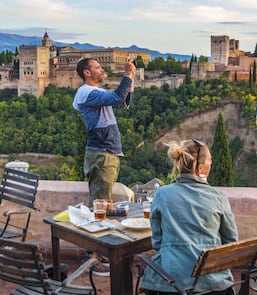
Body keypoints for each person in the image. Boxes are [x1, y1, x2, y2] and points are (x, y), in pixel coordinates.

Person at [140, 139, 238, 295]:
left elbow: (157, 242)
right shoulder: (219, 197)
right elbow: (231, 242)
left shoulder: (162, 194)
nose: (211, 164)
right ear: (200, 169)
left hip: (171, 283)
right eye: (210, 161)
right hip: (213, 284)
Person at [73, 57, 136, 207]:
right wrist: (127, 74)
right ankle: (94, 229)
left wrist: (131, 78)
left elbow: (123, 102)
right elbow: (117, 97)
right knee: (100, 205)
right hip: (103, 154)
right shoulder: (87, 92)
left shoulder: (95, 92)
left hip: (107, 153)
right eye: (98, 67)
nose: (102, 70)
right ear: (87, 72)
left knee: (102, 202)